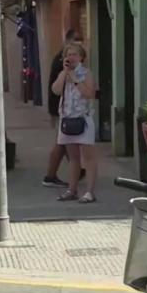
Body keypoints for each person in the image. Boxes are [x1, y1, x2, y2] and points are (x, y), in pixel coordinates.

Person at [51, 41, 98, 203]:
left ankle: (89, 192)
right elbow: (55, 90)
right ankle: (72, 190)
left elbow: (90, 93)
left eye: (74, 54)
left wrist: (76, 79)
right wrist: (65, 74)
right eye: (68, 54)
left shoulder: (86, 73)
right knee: (73, 157)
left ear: (81, 58)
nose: (71, 57)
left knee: (88, 157)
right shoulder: (63, 74)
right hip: (67, 119)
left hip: (83, 119)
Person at [42, 29, 84, 187]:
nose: (79, 42)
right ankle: (51, 176)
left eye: (81, 39)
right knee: (62, 142)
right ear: (68, 40)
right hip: (62, 108)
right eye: (76, 39)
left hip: (63, 107)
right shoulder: (64, 60)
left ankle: (72, 171)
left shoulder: (64, 58)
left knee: (63, 142)